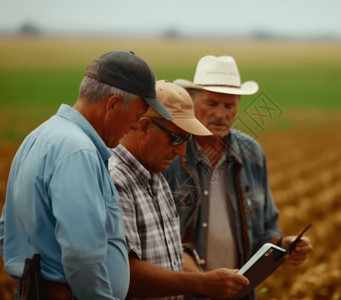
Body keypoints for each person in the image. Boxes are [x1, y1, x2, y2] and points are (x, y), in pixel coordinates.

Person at [0, 50, 173, 300]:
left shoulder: (38, 137)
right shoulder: (78, 151)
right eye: (137, 116)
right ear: (113, 104)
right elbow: (82, 253)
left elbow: (7, 230)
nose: (135, 126)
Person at [164, 55, 313, 299]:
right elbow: (158, 239)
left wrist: (283, 245)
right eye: (212, 104)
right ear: (191, 101)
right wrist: (199, 282)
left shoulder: (252, 153)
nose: (221, 114)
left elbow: (265, 227)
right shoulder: (170, 154)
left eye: (229, 106)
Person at [109, 80, 249, 300]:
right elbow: (126, 274)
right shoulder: (115, 181)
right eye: (176, 138)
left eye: (187, 139)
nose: (182, 151)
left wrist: (207, 279)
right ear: (144, 126)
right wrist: (203, 284)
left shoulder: (156, 177)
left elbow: (171, 251)